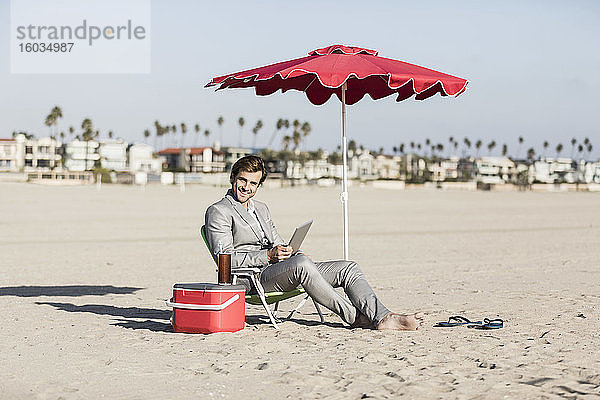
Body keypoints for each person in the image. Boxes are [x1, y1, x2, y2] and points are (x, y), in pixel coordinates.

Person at [204, 155, 423, 330]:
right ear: (232, 177)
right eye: (242, 180)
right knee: (302, 266)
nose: (246, 187)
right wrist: (269, 256)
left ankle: (383, 316)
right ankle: (355, 317)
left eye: (253, 183)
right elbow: (226, 260)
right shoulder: (219, 211)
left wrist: (291, 252)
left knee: (348, 268)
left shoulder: (261, 208)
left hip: (282, 270)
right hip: (251, 280)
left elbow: (277, 243)